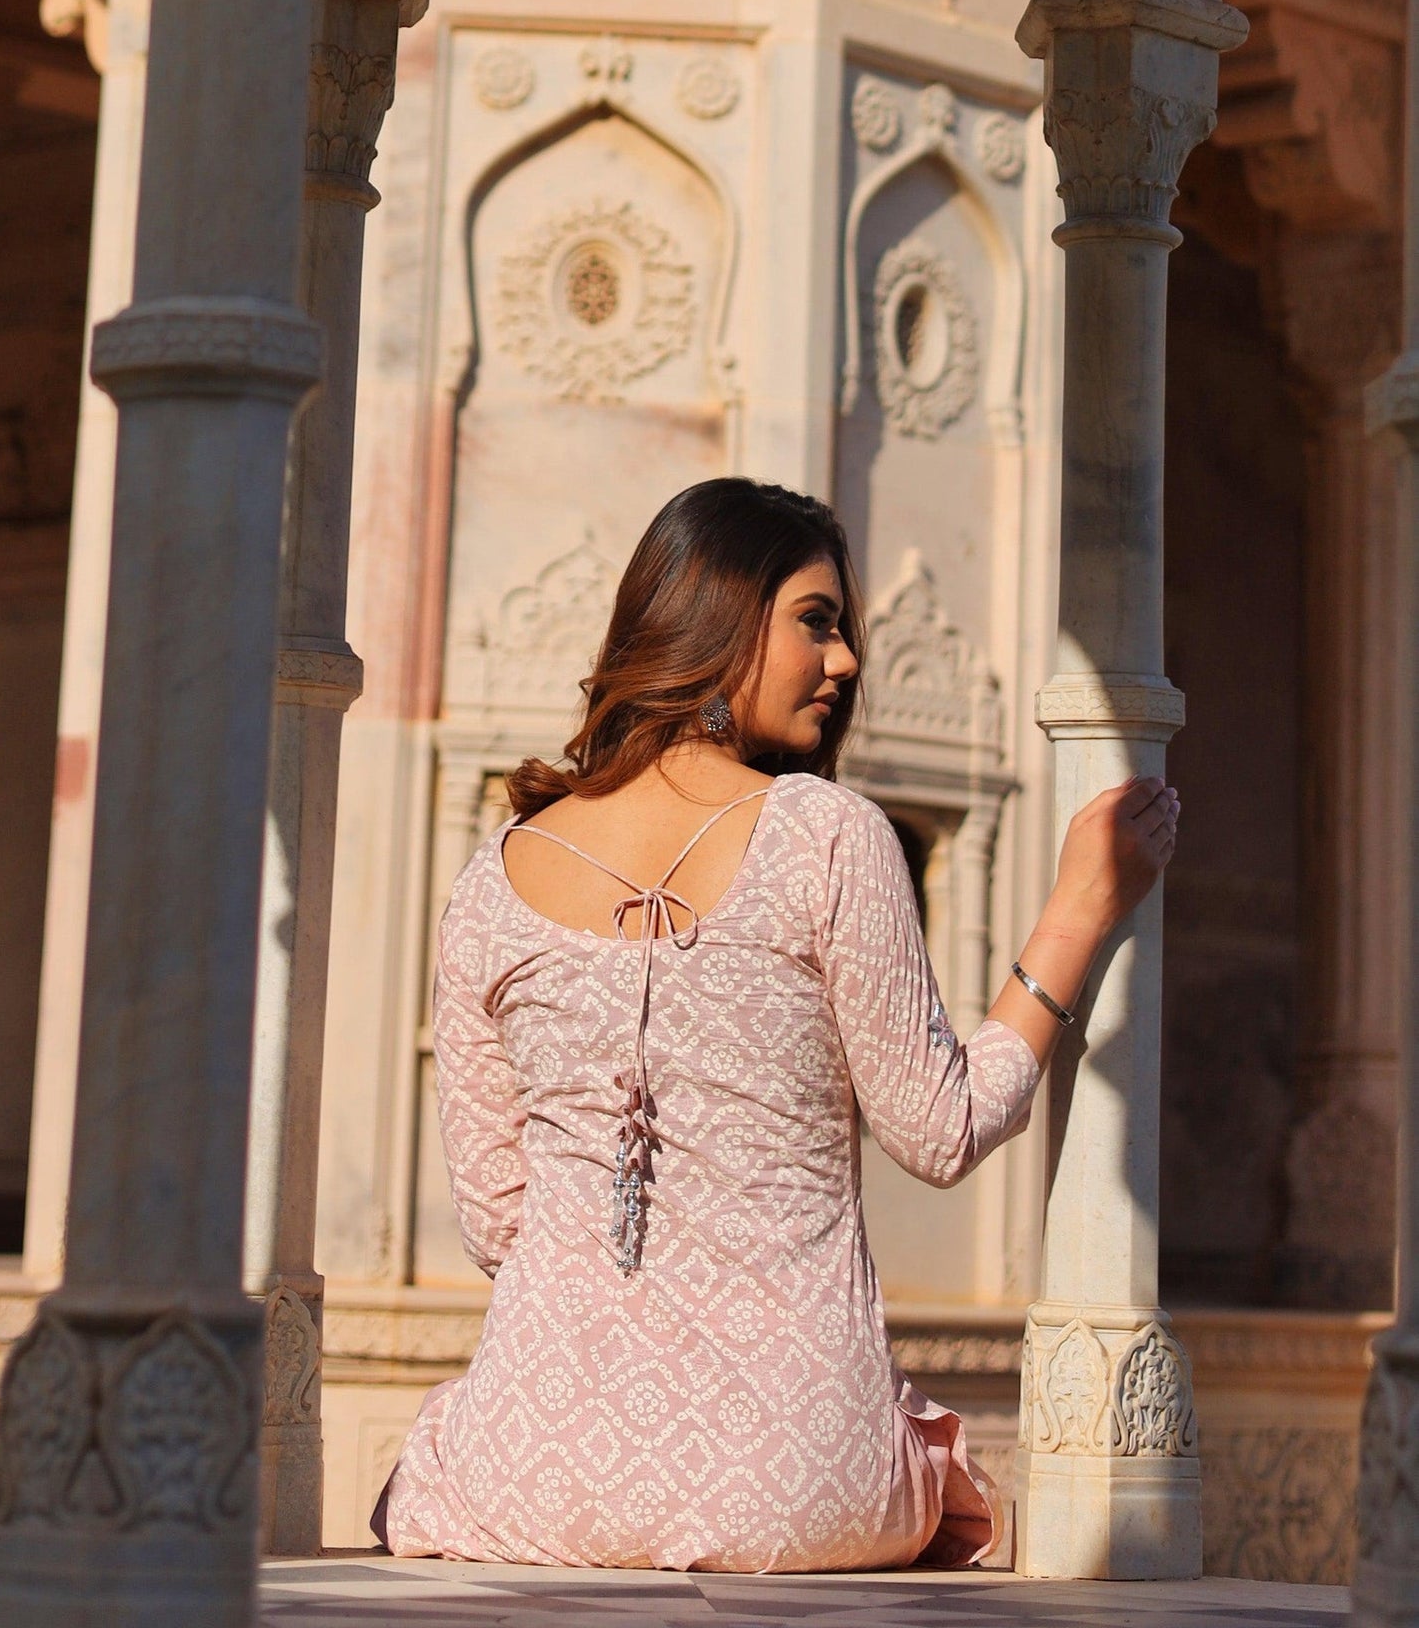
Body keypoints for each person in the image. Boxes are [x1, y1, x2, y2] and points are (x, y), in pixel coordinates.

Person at [374, 478, 1179, 1572]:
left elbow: (497, 1225)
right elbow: (939, 1127)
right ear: (712, 617)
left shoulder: (490, 879)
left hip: (532, 1475)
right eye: (816, 620)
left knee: (428, 1463)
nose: (845, 659)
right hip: (802, 1481)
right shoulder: (824, 835)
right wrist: (1081, 905)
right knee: (938, 1475)